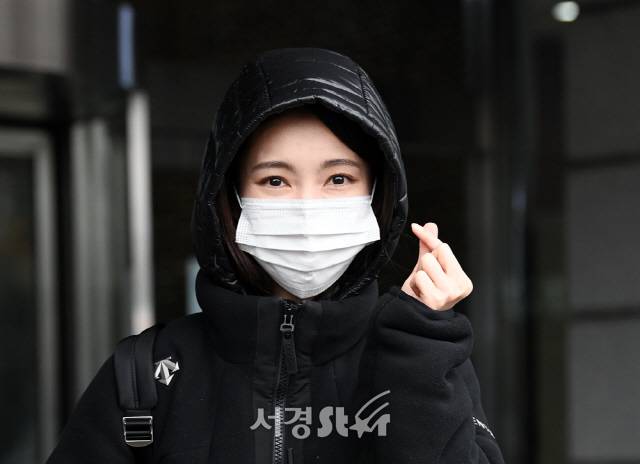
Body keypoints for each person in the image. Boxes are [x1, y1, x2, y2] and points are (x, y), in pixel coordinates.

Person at [46, 47, 506, 463]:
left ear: (378, 194)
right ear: (230, 197)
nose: (306, 207)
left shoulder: (419, 354)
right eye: (275, 180)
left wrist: (418, 351)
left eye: (339, 179)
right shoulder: (149, 374)